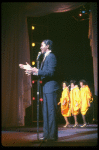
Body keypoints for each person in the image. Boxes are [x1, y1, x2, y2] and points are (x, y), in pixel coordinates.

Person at [31, 39, 59, 141]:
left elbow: (51, 72)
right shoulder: (45, 57)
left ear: (47, 46)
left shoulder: (51, 56)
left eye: (42, 45)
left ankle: (52, 136)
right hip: (46, 88)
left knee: (51, 112)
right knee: (46, 112)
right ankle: (46, 134)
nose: (40, 47)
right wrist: (32, 71)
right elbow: (43, 72)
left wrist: (37, 71)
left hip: (51, 88)